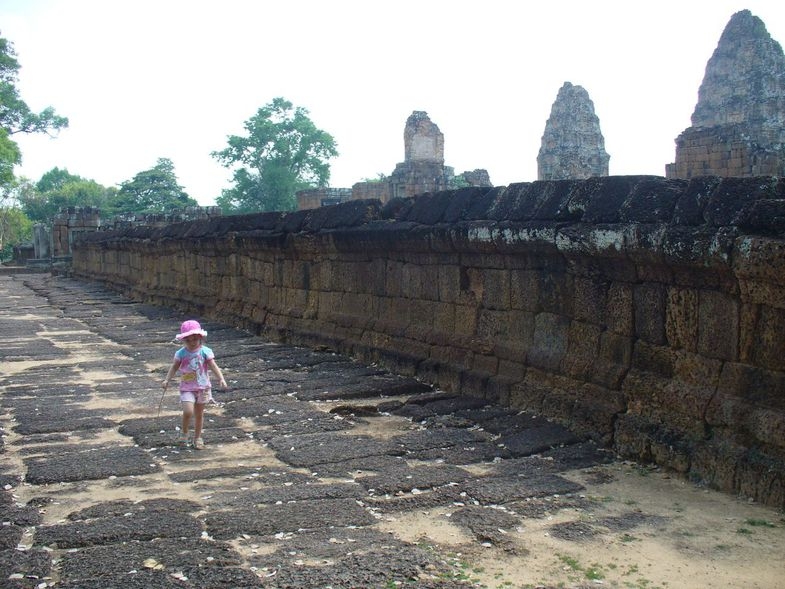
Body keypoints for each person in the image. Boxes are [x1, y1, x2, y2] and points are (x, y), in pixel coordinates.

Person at [162, 319, 227, 449]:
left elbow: (213, 366)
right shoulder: (181, 353)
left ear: (200, 338)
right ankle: (184, 432)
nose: (192, 343)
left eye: (194, 340)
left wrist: (221, 378)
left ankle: (197, 438)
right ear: (183, 340)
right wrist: (167, 379)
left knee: (199, 414)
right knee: (188, 411)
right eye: (188, 340)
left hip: (203, 387)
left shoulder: (205, 351)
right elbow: (174, 367)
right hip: (187, 387)